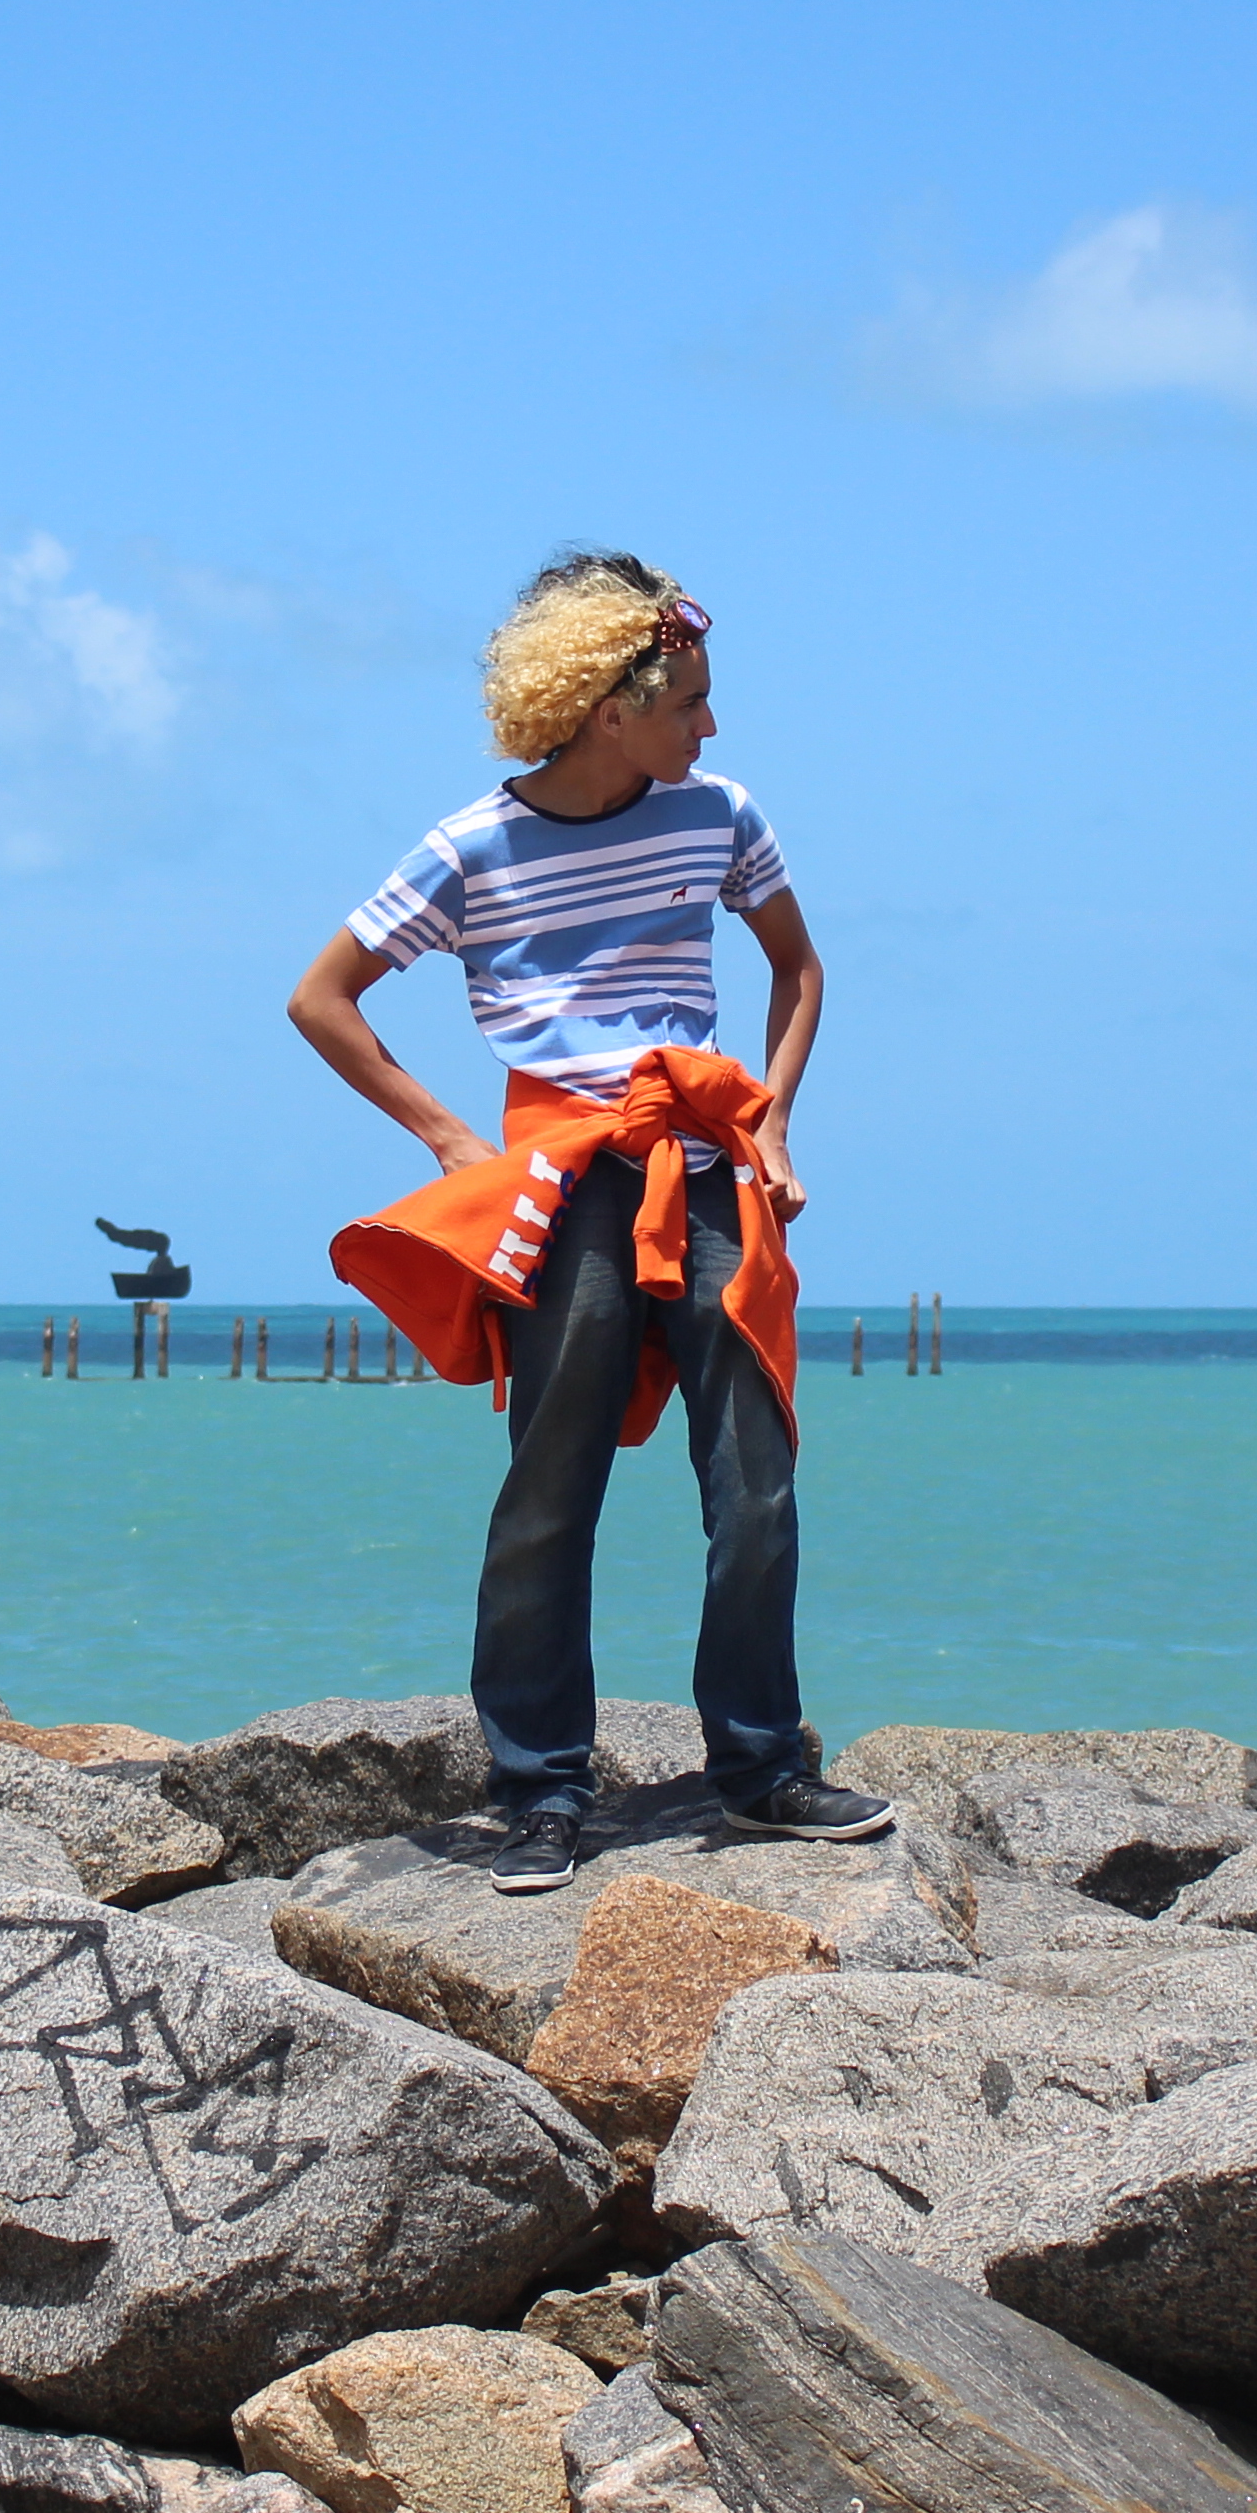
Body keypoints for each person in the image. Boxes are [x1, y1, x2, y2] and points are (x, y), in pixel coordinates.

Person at [291, 550, 890, 1892]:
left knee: (756, 1480)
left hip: (710, 1161)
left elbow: (797, 971)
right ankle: (540, 1791)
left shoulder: (720, 814)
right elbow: (322, 996)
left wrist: (775, 1120)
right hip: (560, 1183)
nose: (713, 725)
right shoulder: (471, 851)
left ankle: (759, 1766)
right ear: (612, 706)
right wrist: (452, 1140)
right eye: (691, 700)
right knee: (551, 1488)